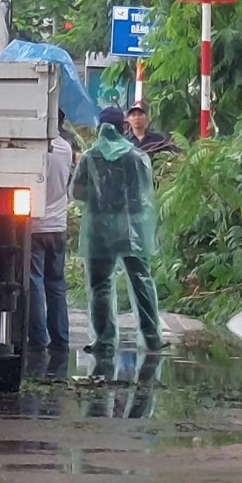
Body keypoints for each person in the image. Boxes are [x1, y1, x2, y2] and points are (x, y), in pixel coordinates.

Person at [72, 104, 164, 359]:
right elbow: (144, 194)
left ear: (100, 128)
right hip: (130, 229)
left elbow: (76, 192)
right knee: (141, 280)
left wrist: (98, 199)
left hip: (98, 230)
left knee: (100, 285)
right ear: (122, 127)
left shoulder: (90, 157)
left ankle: (103, 341)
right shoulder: (136, 157)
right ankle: (152, 338)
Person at [28, 113, 73, 357]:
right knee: (56, 284)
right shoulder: (66, 148)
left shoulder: (36, 148)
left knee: (35, 281)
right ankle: (60, 339)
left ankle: (37, 338)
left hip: (36, 226)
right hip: (58, 226)